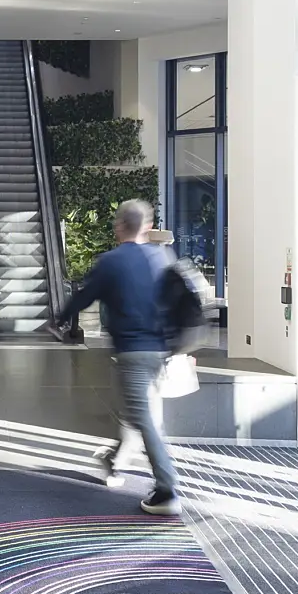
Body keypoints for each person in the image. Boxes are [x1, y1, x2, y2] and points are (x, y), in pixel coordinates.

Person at [57, 199, 183, 515]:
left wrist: (57, 320)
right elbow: (177, 304)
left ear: (118, 227)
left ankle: (167, 489)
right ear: (149, 227)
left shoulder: (111, 262)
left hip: (132, 353)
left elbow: (83, 297)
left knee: (143, 418)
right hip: (159, 352)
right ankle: (113, 461)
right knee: (134, 412)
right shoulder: (161, 258)